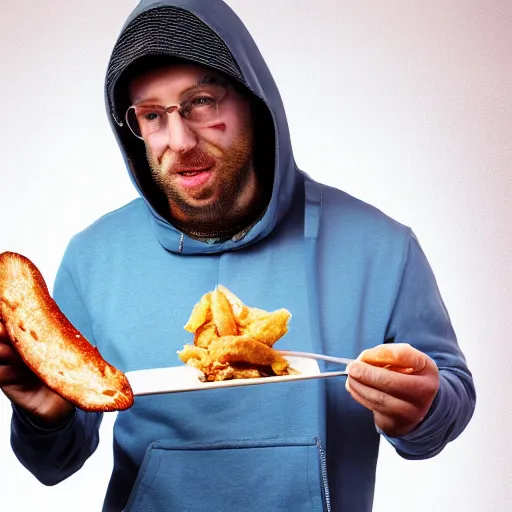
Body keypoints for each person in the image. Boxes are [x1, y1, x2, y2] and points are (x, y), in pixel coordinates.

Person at [0, 1, 476, 511]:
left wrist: (425, 408)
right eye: (153, 116)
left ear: (253, 100)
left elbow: (446, 403)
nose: (179, 142)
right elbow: (53, 465)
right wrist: (44, 416)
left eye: (202, 101)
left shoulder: (381, 246)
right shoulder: (93, 258)